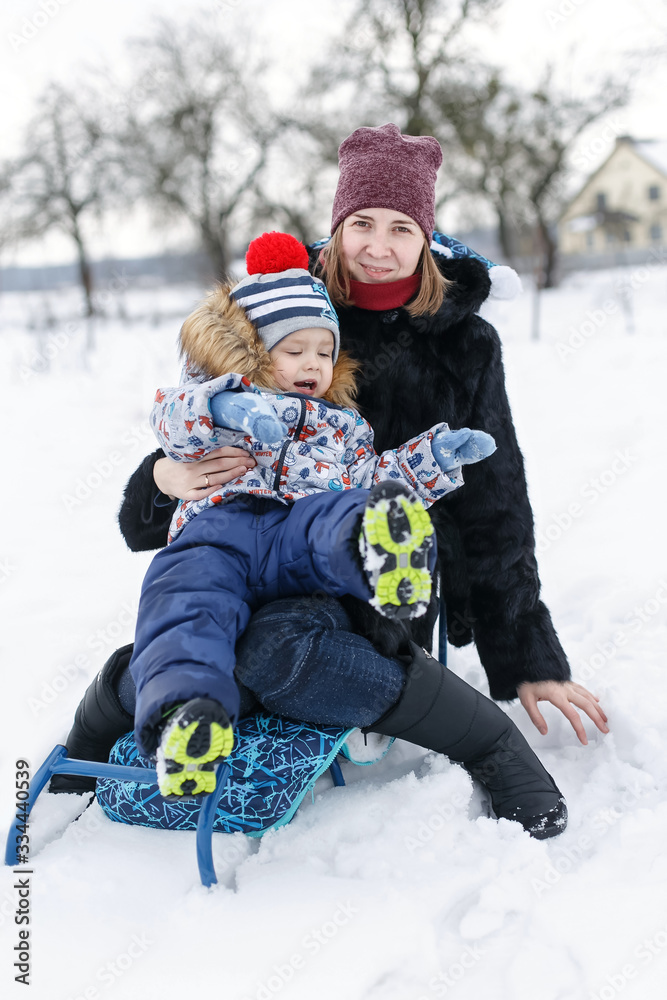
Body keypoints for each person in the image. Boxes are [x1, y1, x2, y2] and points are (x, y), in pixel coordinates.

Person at [53, 123, 608, 839]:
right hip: (237, 542)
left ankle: (483, 742)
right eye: (361, 224)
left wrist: (526, 654)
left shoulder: (463, 346)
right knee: (196, 622)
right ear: (337, 226)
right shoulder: (281, 311)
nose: (377, 245)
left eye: (400, 227)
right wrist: (164, 475)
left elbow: (495, 503)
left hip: (364, 565)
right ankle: (145, 714)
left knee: (269, 651)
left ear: (427, 238)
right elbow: (181, 443)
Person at [131, 230, 495, 799]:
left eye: (324, 352)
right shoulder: (220, 401)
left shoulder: (342, 424)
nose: (313, 364)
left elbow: (371, 473)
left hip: (295, 537)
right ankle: (188, 716)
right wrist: (227, 403)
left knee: (338, 517)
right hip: (215, 532)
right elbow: (169, 416)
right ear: (253, 350)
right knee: (183, 601)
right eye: (294, 350)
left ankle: (384, 550)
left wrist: (433, 458)